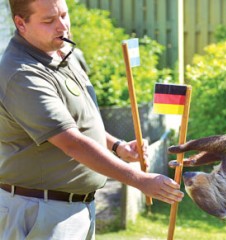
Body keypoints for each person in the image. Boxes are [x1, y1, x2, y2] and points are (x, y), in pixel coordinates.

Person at [0, 0, 184, 239]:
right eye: (49, 20)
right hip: (39, 211)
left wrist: (118, 146)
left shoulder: (65, 53)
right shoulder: (21, 73)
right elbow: (70, 141)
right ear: (20, 24)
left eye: (64, 15)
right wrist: (139, 179)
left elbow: (78, 121)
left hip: (77, 208)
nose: (62, 26)